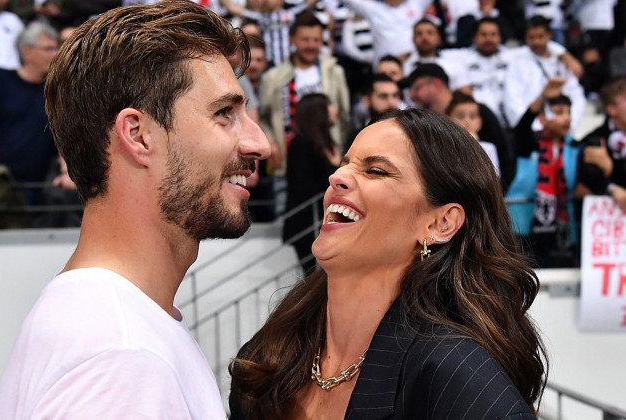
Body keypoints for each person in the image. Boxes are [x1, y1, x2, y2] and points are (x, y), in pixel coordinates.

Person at [0, 1, 270, 418]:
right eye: (224, 113)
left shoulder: (114, 326)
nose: (260, 144)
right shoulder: (121, 356)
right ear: (138, 135)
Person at [229, 107, 547, 419]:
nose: (337, 177)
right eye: (344, 164)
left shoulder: (459, 377)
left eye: (376, 171)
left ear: (441, 224)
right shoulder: (265, 356)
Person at [0, 22, 63, 213]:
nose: (56, 53)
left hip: (36, 190)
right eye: (48, 48)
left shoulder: (56, 91)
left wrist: (67, 173)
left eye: (56, 47)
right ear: (27, 52)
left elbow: (66, 137)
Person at [259, 11, 349, 174]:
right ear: (292, 40)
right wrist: (271, 142)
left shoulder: (335, 72)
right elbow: (262, 117)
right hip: (288, 163)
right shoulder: (273, 78)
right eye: (305, 40)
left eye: (316, 40)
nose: (311, 45)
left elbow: (344, 114)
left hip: (329, 162)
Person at [400, 63, 514, 188]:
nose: (411, 95)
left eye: (416, 88)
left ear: (436, 84)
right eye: (460, 116)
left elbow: (505, 159)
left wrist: (493, 199)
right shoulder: (423, 122)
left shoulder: (478, 110)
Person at [506, 81, 581, 268]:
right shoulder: (528, 144)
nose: (566, 119)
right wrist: (542, 97)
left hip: (562, 227)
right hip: (523, 227)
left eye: (568, 112)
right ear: (543, 119)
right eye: (558, 113)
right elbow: (521, 128)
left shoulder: (576, 147)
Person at [283, 93, 341, 273]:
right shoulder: (301, 143)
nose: (335, 110)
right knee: (312, 279)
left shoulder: (327, 143)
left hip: (323, 220)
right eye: (329, 104)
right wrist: (333, 169)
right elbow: (303, 186)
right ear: (318, 111)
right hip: (306, 222)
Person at [503, 15, 586, 134]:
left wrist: (569, 125)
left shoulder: (560, 60)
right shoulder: (517, 62)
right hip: (530, 130)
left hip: (561, 130)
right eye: (531, 37)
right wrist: (535, 127)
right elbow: (512, 99)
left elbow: (576, 94)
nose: (536, 41)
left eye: (540, 36)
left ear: (549, 35)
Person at [575, 75, 626, 212]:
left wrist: (610, 168)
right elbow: (583, 185)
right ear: (611, 109)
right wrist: (611, 187)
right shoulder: (595, 139)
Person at [446, 90, 500, 176]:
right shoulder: (445, 147)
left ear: (480, 122)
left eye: (472, 116)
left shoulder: (489, 148)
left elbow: (494, 177)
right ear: (448, 120)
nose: (467, 121)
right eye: (460, 116)